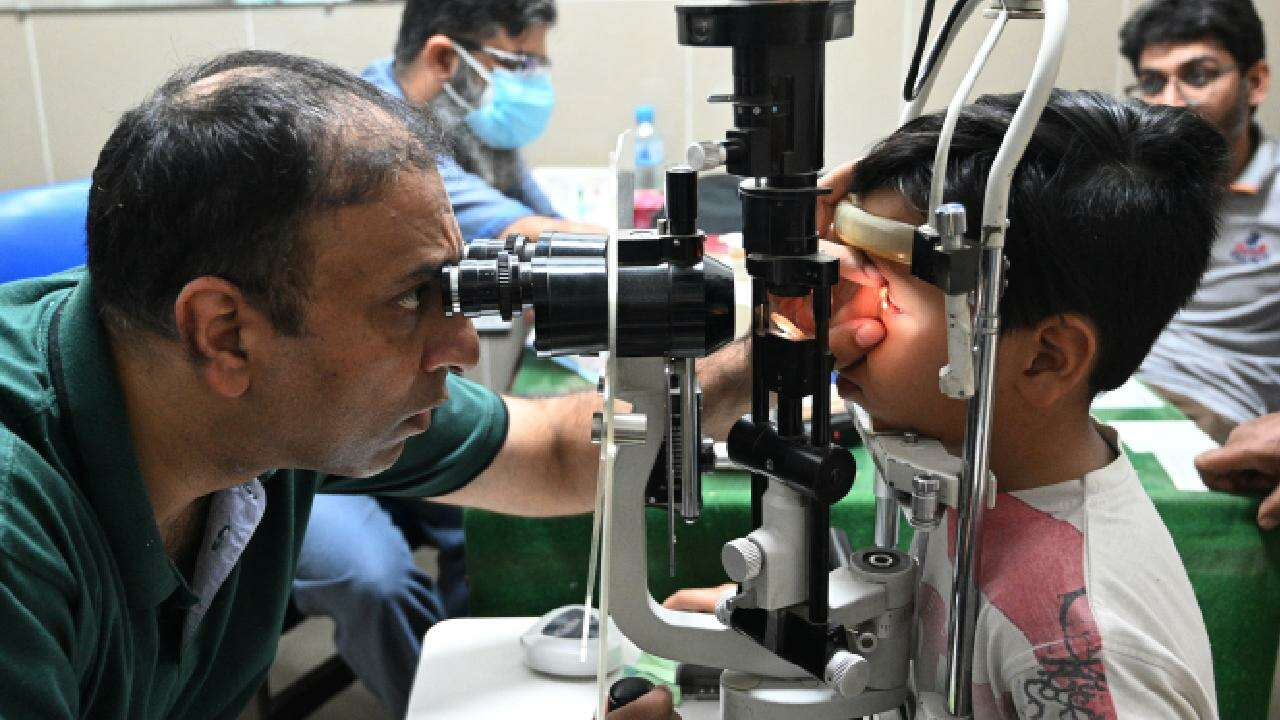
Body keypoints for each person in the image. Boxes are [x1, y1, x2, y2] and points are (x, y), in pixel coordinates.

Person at [0, 49, 719, 719]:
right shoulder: (17, 532)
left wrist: (761, 353)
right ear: (224, 333)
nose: (463, 345)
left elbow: (558, 454)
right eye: (410, 298)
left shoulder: (265, 402)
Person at [670, 89, 1228, 717]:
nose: (836, 303)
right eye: (847, 258)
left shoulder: (1087, 646)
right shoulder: (973, 471)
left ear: (1046, 358)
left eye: (883, 277)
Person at [294, 1, 606, 713]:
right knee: (374, 580)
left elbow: (546, 235)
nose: (534, 83)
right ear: (444, 58)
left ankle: (487, 679)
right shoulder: (363, 144)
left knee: (489, 518)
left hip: (376, 411)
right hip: (298, 440)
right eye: (520, 64)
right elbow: (537, 236)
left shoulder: (469, 132)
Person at [1119, 0, 1276, 445]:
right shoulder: (1127, 185)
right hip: (1107, 385)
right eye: (1153, 82)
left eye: (1198, 76)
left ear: (1254, 82)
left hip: (1209, 405)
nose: (1171, 102)